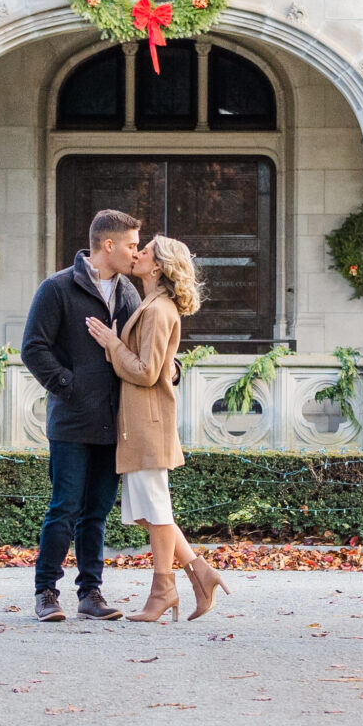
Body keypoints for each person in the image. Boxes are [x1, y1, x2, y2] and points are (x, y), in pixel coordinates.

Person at [85, 235, 227, 622]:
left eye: (144, 250)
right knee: (150, 513)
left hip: (148, 421)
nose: (137, 253)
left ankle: (163, 589)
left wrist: (113, 345)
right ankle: (200, 572)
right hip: (140, 422)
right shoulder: (149, 304)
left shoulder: (159, 309)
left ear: (159, 265)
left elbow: (147, 373)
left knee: (157, 511)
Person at [20, 208, 142, 621]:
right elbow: (33, 348)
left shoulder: (129, 293)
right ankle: (45, 593)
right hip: (71, 421)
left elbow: (140, 349)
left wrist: (170, 369)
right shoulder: (56, 288)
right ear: (108, 245)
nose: (135, 253)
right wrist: (69, 387)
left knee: (97, 512)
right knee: (64, 507)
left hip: (115, 423)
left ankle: (91, 593)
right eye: (131, 245)